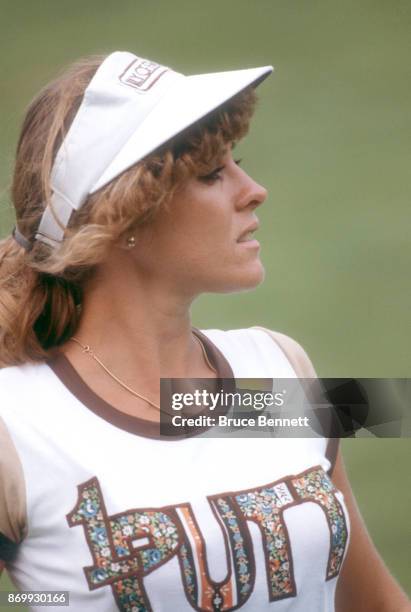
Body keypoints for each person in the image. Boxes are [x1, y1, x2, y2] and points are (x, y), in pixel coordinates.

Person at [0, 51, 409, 612]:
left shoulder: (277, 366)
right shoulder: (16, 425)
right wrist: (51, 601)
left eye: (236, 162)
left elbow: (371, 602)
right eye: (212, 174)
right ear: (123, 220)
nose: (254, 189)